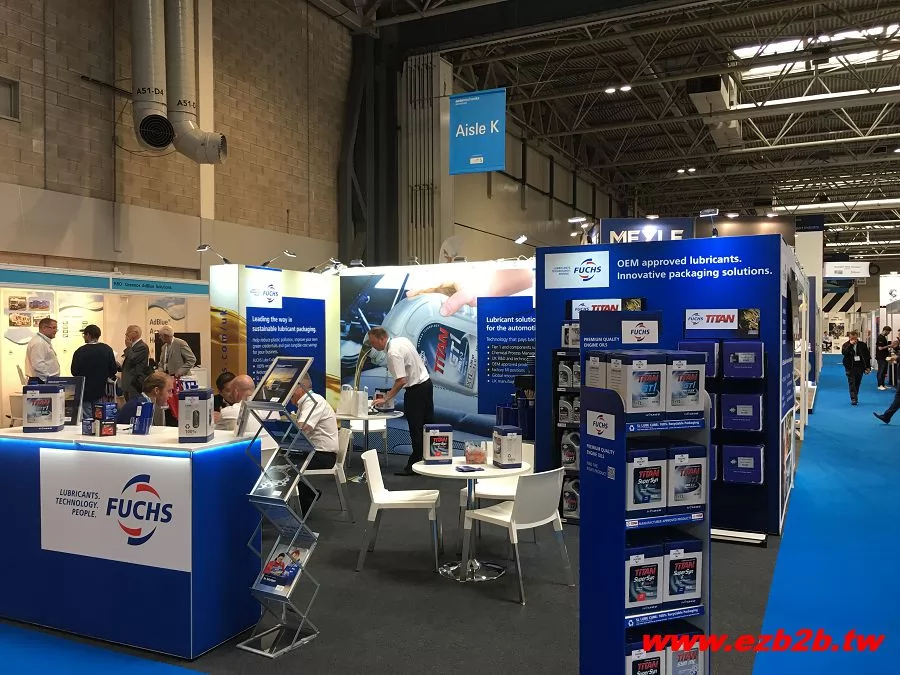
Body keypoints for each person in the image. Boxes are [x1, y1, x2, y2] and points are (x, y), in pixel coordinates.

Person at [368, 326, 433, 476]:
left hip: (416, 391)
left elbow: (401, 380)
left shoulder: (392, 353)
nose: (372, 346)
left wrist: (386, 398)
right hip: (426, 384)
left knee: (416, 429)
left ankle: (414, 466)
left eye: (373, 342)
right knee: (428, 426)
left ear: (381, 339)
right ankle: (430, 462)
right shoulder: (402, 340)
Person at [287, 374, 339, 513]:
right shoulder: (305, 403)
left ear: (299, 388)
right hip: (313, 452)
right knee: (281, 462)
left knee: (285, 466)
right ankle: (308, 495)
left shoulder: (313, 400)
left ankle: (307, 498)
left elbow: (303, 427)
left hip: (323, 455)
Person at [70, 324, 118, 420]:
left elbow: (74, 371)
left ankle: (89, 428)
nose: (84, 337)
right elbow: (113, 370)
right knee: (99, 414)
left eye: (84, 334)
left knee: (87, 417)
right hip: (101, 390)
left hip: (85, 390)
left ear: (88, 335)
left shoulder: (80, 351)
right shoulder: (107, 349)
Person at [25, 317, 60, 383]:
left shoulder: (42, 341)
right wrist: (48, 379)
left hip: (43, 380)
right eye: (53, 328)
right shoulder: (39, 342)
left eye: (56, 328)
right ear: (44, 328)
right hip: (41, 381)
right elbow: (38, 365)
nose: (55, 331)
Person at [841, 330, 871, 406]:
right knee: (852, 382)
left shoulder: (863, 345)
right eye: (852, 338)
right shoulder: (846, 345)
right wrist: (850, 345)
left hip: (860, 366)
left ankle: (855, 395)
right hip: (850, 367)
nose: (854, 340)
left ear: (857, 337)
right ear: (849, 338)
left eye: (855, 338)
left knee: (857, 382)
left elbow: (867, 357)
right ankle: (853, 399)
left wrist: (868, 367)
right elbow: (844, 353)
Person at [121, 325, 150, 401]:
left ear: (135, 333)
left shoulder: (142, 346)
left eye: (127, 333)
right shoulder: (133, 346)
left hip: (134, 383)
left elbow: (133, 359)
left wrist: (128, 347)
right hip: (127, 383)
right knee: (129, 405)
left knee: (135, 405)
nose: (126, 335)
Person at [875, 326, 892, 390]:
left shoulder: (884, 337)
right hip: (880, 357)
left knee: (884, 371)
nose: (888, 333)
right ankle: (879, 385)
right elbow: (880, 348)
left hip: (884, 357)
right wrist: (889, 346)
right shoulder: (880, 337)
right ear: (885, 330)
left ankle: (883, 384)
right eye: (888, 332)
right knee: (881, 371)